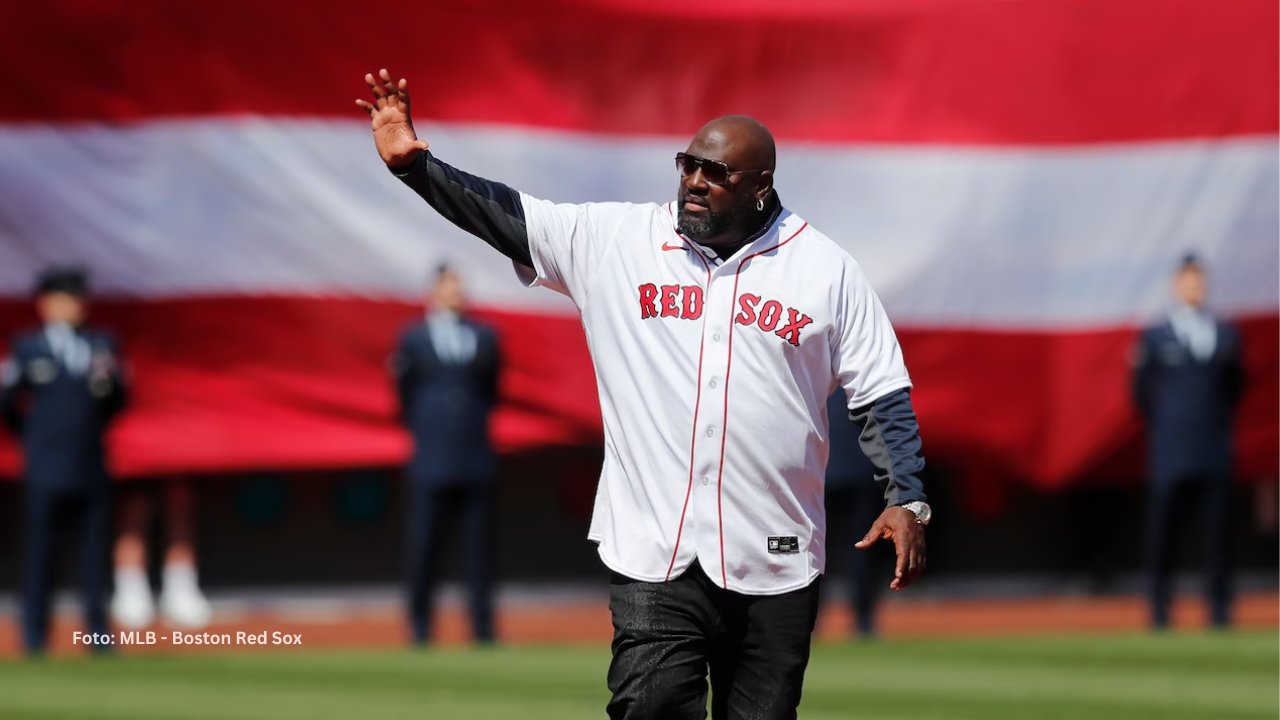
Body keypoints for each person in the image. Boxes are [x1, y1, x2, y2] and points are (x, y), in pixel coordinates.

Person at [358, 69, 930, 719]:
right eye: (688, 165)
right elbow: (508, 218)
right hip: (655, 550)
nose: (693, 181)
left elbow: (881, 390)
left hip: (777, 556)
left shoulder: (825, 270)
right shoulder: (619, 242)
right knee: (649, 706)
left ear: (760, 187)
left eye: (715, 173)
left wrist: (906, 494)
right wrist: (416, 168)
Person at [0, 267, 129, 654]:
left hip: (90, 461)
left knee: (94, 555)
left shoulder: (102, 344)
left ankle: (97, 633)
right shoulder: (28, 347)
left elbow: (118, 401)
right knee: (40, 553)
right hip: (44, 465)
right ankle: (35, 635)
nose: (72, 306)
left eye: (76, 299)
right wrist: (32, 439)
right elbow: (7, 402)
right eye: (63, 298)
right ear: (46, 304)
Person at [1132, 254, 1244, 629]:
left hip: (1214, 446)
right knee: (1163, 532)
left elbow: (1235, 388)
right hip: (1171, 448)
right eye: (1188, 282)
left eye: (1199, 282)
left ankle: (1219, 608)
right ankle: (1160, 609)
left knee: (1218, 533)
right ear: (1176, 286)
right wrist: (1165, 425)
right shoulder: (1156, 336)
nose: (1194, 289)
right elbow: (1141, 393)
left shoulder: (1226, 334)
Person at [392, 264, 501, 645]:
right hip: (431, 459)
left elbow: (490, 390)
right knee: (423, 546)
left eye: (460, 286)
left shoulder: (485, 336)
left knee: (479, 550)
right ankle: (420, 627)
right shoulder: (414, 339)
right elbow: (404, 395)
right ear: (434, 292)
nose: (456, 293)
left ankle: (483, 629)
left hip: (475, 457)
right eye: (448, 286)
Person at [822, 390, 888, 638]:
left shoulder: (812, 374)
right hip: (859, 474)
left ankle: (817, 617)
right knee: (862, 549)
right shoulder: (867, 380)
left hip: (828, 474)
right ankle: (863, 619)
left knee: (816, 549)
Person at [110, 477, 213, 629]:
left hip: (178, 459)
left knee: (180, 499)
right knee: (136, 503)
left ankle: (181, 590)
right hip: (135, 463)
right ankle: (130, 591)